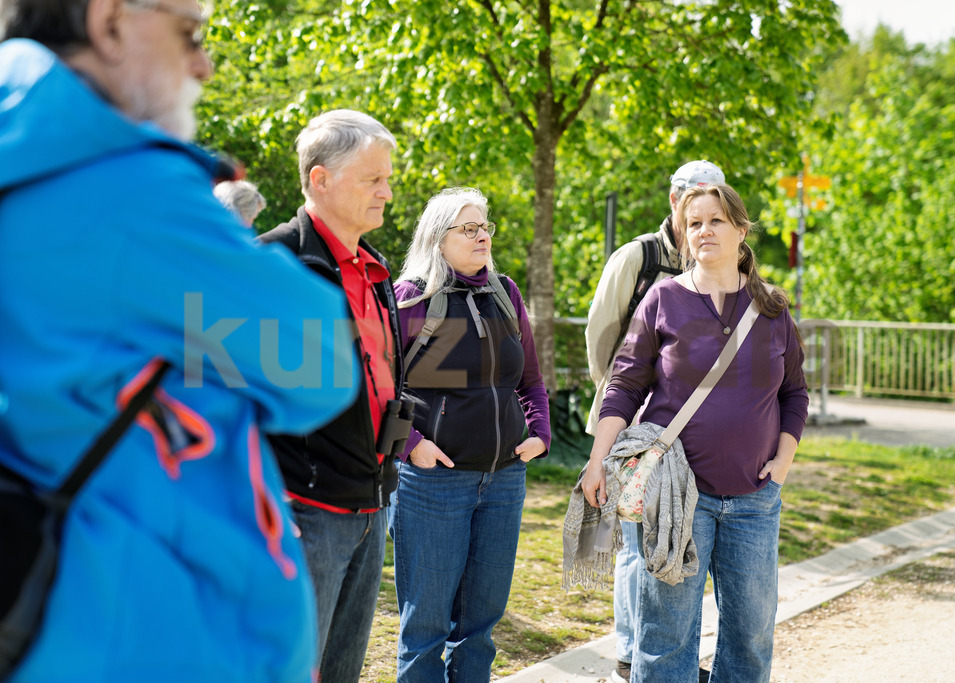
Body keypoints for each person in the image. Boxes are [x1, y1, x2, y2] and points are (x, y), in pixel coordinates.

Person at [0, 2, 361, 681]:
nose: (203, 64)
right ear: (109, 23)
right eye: (189, 35)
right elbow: (318, 365)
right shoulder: (124, 184)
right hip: (158, 635)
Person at [581, 184, 808, 682]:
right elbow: (622, 385)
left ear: (742, 231)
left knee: (751, 635)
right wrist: (598, 458)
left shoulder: (772, 309)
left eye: (716, 221)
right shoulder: (664, 299)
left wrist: (784, 460)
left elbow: (795, 393)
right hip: (676, 497)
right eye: (694, 222)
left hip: (755, 499)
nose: (703, 230)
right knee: (667, 635)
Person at [257, 109, 405, 683]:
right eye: (373, 179)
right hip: (303, 513)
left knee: (342, 671)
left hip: (371, 506)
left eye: (386, 178)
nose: (387, 193)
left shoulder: (376, 270)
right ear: (320, 180)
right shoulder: (275, 265)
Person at [389, 187, 551, 682]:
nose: (482, 235)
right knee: (426, 630)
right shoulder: (411, 299)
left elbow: (531, 380)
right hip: (433, 483)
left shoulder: (505, 291)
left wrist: (540, 430)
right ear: (438, 239)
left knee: (481, 628)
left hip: (503, 482)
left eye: (485, 226)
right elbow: (374, 385)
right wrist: (411, 445)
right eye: (469, 228)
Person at [584, 159, 726, 683]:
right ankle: (632, 649)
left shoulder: (719, 260)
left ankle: (667, 652)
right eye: (694, 202)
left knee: (675, 532)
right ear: (675, 202)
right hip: (635, 423)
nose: (703, 218)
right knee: (635, 537)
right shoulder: (638, 257)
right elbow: (601, 335)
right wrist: (623, 409)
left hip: (688, 429)